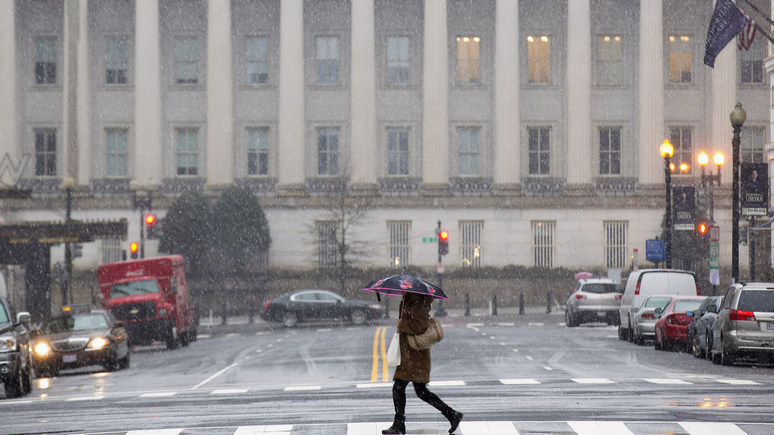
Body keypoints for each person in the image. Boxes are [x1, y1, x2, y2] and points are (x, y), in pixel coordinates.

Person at [382, 291, 463, 434]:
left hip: (415, 357)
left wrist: (402, 324)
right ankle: (451, 414)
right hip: (411, 355)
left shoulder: (416, 302)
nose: (401, 289)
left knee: (399, 387)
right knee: (421, 391)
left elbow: (420, 326)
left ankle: (399, 425)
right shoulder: (410, 299)